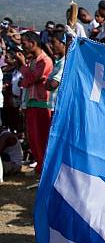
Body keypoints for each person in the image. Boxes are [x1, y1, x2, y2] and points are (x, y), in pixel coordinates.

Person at [15, 31, 53, 175]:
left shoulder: (45, 61)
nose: (22, 46)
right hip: (31, 103)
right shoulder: (33, 61)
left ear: (33, 43)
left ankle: (44, 168)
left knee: (42, 137)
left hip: (42, 104)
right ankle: (39, 167)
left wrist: (22, 66)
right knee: (33, 137)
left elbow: (32, 79)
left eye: (24, 43)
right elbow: (25, 82)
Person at [45, 30, 67, 112]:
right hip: (54, 107)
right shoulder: (59, 61)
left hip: (59, 108)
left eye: (53, 42)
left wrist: (48, 82)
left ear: (63, 43)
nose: (50, 45)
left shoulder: (66, 61)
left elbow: (52, 84)